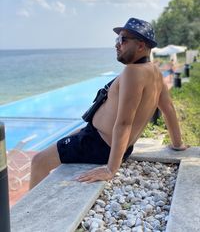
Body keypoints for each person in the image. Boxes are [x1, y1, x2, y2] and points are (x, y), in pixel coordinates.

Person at [30, 17, 188, 189]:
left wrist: (111, 169)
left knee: (39, 161)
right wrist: (177, 144)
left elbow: (124, 122)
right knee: (62, 143)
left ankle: (29, 215)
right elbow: (168, 109)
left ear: (141, 46)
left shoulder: (132, 72)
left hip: (98, 145)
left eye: (122, 40)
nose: (116, 44)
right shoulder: (155, 72)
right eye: (117, 39)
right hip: (97, 137)